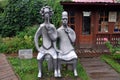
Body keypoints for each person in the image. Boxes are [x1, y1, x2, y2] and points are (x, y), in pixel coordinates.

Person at [34, 6, 58, 77]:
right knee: (38, 58)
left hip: (51, 47)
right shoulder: (41, 26)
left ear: (50, 14)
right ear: (43, 15)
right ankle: (40, 72)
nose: (46, 15)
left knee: (55, 57)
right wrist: (38, 48)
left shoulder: (53, 26)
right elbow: (36, 36)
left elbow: (55, 38)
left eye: (48, 13)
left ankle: (56, 71)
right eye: (45, 13)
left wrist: (50, 32)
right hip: (43, 47)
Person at [57, 11, 78, 77]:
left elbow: (73, 40)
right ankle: (58, 70)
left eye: (66, 19)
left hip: (69, 49)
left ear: (67, 20)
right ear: (61, 20)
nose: (64, 20)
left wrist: (68, 33)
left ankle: (75, 70)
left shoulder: (71, 30)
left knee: (75, 57)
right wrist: (57, 49)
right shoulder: (58, 30)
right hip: (62, 49)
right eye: (63, 19)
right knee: (58, 57)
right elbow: (54, 40)